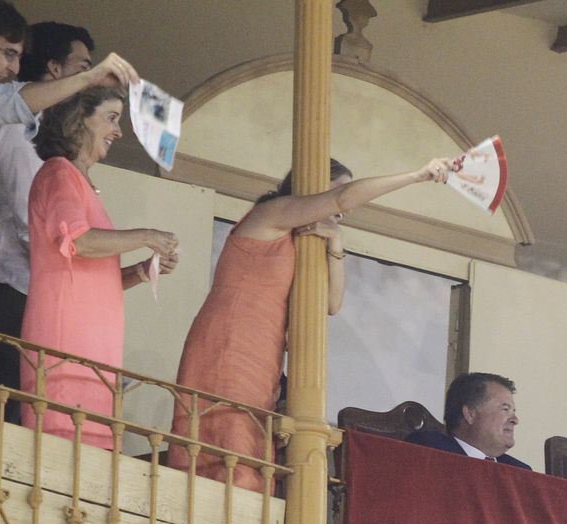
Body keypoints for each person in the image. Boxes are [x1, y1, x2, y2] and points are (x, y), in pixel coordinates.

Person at [168, 156, 453, 489]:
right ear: (314, 187)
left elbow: (331, 303)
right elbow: (342, 200)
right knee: (226, 443)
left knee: (251, 450)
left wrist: (337, 244)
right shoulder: (270, 214)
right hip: (228, 344)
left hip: (264, 357)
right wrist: (417, 175)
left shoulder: (305, 239)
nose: (343, 210)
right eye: (338, 188)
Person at [0, 0, 135, 406]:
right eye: (7, 53)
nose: (13, 68)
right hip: (2, 294)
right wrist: (90, 79)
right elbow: (45, 234)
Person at [19, 86, 177, 449]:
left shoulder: (79, 181)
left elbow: (92, 273)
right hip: (65, 342)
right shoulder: (59, 173)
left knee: (89, 457)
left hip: (94, 349)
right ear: (79, 120)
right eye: (111, 118)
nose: (118, 132)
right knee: (61, 453)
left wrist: (141, 271)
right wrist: (147, 235)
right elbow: (80, 241)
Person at [0, 20, 94, 419]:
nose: (89, 80)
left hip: (32, 296)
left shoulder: (46, 135)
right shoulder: (15, 130)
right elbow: (36, 226)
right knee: (1, 420)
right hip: (6, 296)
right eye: (83, 67)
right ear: (55, 69)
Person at [405, 371, 530, 469]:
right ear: (470, 414)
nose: (515, 420)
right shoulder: (430, 450)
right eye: (505, 409)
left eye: (514, 411)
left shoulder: (519, 471)